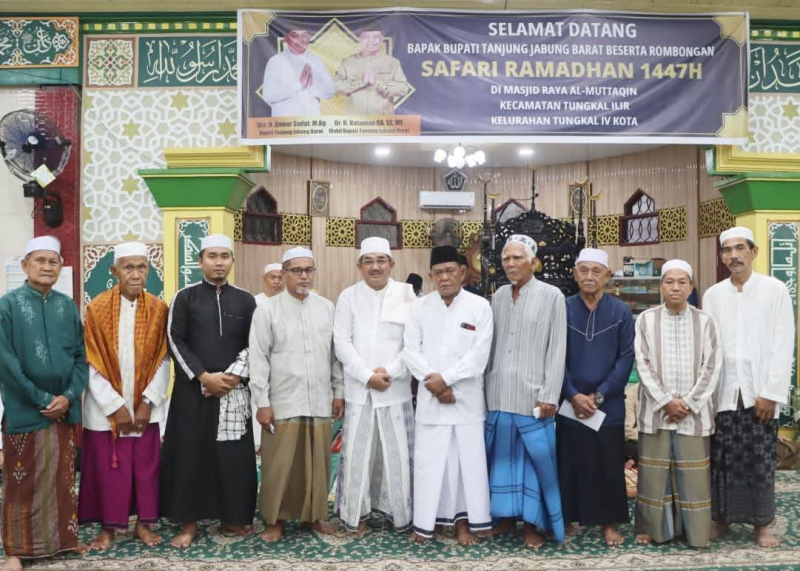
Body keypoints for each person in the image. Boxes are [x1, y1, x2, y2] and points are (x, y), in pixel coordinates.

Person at [160, 234, 258, 549]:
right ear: (200, 260)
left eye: (224, 256)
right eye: (212, 256)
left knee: (233, 457)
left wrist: (231, 377)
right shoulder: (185, 297)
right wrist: (204, 377)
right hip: (193, 391)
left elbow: (255, 342)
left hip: (233, 390)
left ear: (232, 261)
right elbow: (174, 340)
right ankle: (188, 524)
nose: (219, 262)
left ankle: (232, 518)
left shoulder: (246, 300)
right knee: (191, 455)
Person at [0, 236, 89, 571]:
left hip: (63, 410)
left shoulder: (67, 306)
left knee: (62, 479)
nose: (47, 267)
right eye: (40, 261)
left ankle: (63, 540)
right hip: (26, 409)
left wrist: (68, 396)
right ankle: (16, 551)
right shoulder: (7, 306)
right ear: (25, 265)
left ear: (61, 267)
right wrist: (42, 398)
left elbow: (80, 358)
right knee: (21, 481)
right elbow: (6, 364)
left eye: (53, 261)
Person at [703, 226, 794, 548]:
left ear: (754, 252)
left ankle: (762, 525)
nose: (734, 255)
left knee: (760, 461)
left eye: (740, 248)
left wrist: (771, 393)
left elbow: (784, 343)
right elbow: (709, 347)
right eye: (727, 250)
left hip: (760, 393)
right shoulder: (713, 295)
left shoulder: (775, 290)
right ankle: (721, 519)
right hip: (724, 393)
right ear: (722, 256)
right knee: (722, 459)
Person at [249, 246, 344, 542]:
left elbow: (335, 356)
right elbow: (258, 357)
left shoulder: (326, 307)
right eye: (297, 271)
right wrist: (262, 402)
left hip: (319, 399)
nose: (304, 276)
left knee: (317, 464)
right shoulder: (267, 310)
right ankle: (274, 520)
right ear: (285, 273)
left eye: (309, 270)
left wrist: (338, 392)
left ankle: (313, 517)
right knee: (280, 465)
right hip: (282, 400)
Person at [79, 242, 170, 550]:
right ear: (114, 271)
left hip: (145, 409)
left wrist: (147, 402)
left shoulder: (158, 309)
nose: (135, 274)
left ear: (148, 270)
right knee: (109, 471)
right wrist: (114, 406)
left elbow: (163, 359)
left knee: (146, 469)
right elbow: (91, 361)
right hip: (105, 412)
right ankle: (108, 528)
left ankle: (143, 525)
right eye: (128, 267)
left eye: (141, 267)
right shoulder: (96, 309)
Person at [402, 245, 493, 546]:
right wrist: (436, 384)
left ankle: (464, 525)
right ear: (430, 275)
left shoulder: (480, 306)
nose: (444, 277)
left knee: (466, 467)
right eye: (438, 272)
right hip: (432, 400)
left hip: (466, 402)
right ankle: (428, 523)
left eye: (450, 271)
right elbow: (410, 351)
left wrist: (447, 380)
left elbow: (479, 356)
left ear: (463, 272)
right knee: (430, 466)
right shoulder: (418, 307)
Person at [484, 235, 567, 548]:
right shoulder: (498, 296)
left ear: (533, 262)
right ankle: (505, 518)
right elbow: (490, 345)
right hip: (499, 393)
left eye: (517, 258)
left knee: (534, 464)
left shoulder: (552, 296)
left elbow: (557, 347)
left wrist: (550, 394)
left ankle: (532, 525)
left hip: (534, 396)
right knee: (502, 462)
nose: (510, 264)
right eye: (506, 258)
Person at [634, 260, 722, 548]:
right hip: (656, 413)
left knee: (693, 477)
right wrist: (665, 402)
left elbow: (712, 366)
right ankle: (655, 530)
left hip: (693, 415)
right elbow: (642, 364)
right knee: (654, 475)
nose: (675, 287)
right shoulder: (645, 320)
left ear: (691, 287)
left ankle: (695, 533)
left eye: (682, 282)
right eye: (669, 281)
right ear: (661, 286)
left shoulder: (705, 322)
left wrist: (689, 403)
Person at [333, 237, 416, 534]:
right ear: (359, 266)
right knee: (358, 455)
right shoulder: (348, 296)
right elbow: (341, 342)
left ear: (392, 264)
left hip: (395, 389)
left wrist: (391, 371)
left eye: (381, 261)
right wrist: (366, 375)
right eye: (368, 261)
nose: (375, 267)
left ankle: (400, 513)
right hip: (360, 389)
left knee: (398, 456)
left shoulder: (407, 294)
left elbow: (413, 342)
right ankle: (357, 515)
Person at [557, 248, 634, 546]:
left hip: (607, 404)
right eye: (584, 270)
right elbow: (555, 357)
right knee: (569, 461)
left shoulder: (621, 312)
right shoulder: (561, 308)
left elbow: (625, 359)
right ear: (575, 274)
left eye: (596, 271)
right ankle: (567, 518)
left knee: (607, 463)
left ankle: (607, 523)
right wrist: (573, 394)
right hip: (569, 402)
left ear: (607, 276)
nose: (589, 276)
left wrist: (598, 397)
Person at [334, 30, 411, 115]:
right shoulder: (347, 62)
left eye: (375, 37)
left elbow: (403, 88)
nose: (371, 40)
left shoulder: (392, 62)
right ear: (360, 39)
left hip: (383, 119)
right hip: (354, 119)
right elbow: (335, 87)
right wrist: (360, 83)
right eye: (366, 37)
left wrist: (378, 84)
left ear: (381, 39)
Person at [262, 29, 335, 117]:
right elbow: (268, 96)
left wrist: (312, 86)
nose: (300, 40)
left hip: (311, 121)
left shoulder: (316, 60)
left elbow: (330, 92)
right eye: (295, 35)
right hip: (284, 122)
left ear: (309, 38)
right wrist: (299, 84)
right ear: (286, 39)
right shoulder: (275, 61)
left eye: (304, 35)